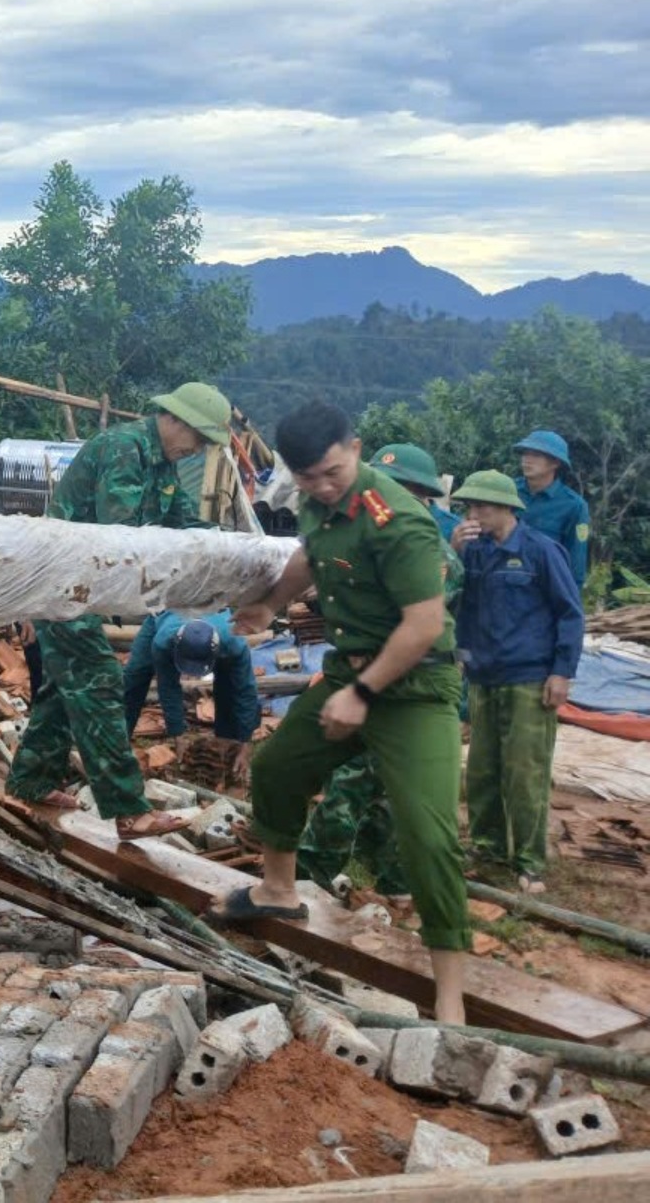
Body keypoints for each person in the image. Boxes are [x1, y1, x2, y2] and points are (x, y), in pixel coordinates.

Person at [220, 401, 470, 1023]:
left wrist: (361, 696)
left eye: (332, 473)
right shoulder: (314, 498)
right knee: (278, 768)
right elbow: (311, 553)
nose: (322, 487)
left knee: (427, 835)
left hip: (414, 691)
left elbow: (424, 625)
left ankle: (451, 993)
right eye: (308, 479)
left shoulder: (401, 524)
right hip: (348, 672)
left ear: (354, 449)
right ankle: (279, 891)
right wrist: (270, 605)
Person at [6, 381, 235, 839]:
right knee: (98, 679)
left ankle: (31, 781)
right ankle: (129, 809)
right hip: (62, 581)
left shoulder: (163, 466)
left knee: (62, 688)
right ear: (174, 420)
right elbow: (120, 530)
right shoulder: (125, 449)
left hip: (86, 587)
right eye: (199, 439)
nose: (198, 451)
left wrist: (239, 548)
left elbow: (184, 523)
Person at [298, 442, 466, 900]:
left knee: (351, 780)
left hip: (399, 687)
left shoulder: (432, 556)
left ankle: (309, 875)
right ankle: (394, 878)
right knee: (386, 785)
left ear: (418, 495)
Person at [452, 470, 583, 893]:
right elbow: (452, 598)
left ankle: (529, 860)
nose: (474, 514)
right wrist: (452, 551)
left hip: (530, 676)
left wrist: (562, 671)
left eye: (482, 507)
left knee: (525, 771)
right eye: (470, 507)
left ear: (507, 508)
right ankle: (488, 849)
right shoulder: (471, 553)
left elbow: (570, 614)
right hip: (483, 676)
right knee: (483, 769)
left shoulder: (541, 551)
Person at [121, 611, 259, 781]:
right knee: (135, 676)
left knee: (228, 685)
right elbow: (168, 686)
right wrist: (177, 733)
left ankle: (227, 748)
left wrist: (246, 742)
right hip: (163, 616)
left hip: (218, 629)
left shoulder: (234, 644)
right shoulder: (163, 643)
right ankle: (118, 745)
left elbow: (245, 691)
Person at [505, 429, 590, 589]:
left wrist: (568, 605)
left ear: (555, 462)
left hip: (543, 592)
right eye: (525, 453)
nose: (527, 460)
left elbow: (575, 566)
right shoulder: (507, 491)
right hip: (502, 585)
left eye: (536, 455)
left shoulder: (574, 506)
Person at [373, 443, 460, 541]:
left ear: (423, 488)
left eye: (395, 483)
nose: (382, 488)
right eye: (379, 481)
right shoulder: (371, 518)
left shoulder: (453, 530)